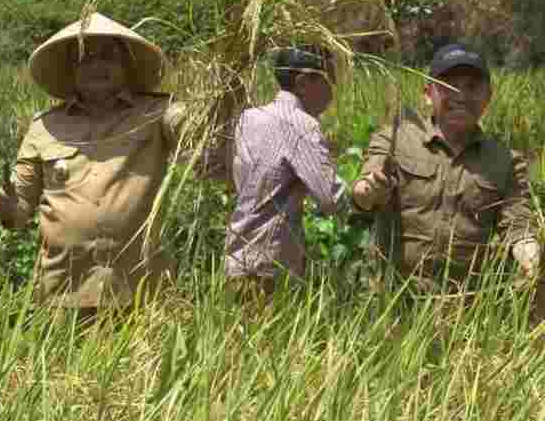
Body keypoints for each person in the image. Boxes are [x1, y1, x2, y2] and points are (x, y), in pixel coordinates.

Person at [0, 13, 188, 318]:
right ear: (72, 71)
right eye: (86, 59)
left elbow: (197, 130)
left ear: (126, 67)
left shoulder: (158, 113)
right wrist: (8, 207)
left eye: (108, 57)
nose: (98, 67)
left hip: (140, 290)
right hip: (63, 293)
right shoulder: (45, 127)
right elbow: (20, 211)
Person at [352, 43, 541, 302]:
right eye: (449, 86)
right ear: (428, 93)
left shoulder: (505, 160)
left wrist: (531, 258)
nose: (461, 96)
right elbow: (364, 190)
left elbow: (518, 225)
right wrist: (369, 191)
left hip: (466, 306)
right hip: (393, 300)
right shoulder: (395, 139)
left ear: (488, 96)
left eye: (472, 87)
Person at [225, 46, 349, 300]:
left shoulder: (248, 117)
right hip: (271, 265)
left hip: (237, 257)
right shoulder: (301, 124)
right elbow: (330, 198)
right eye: (329, 81)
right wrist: (365, 196)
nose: (332, 92)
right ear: (303, 83)